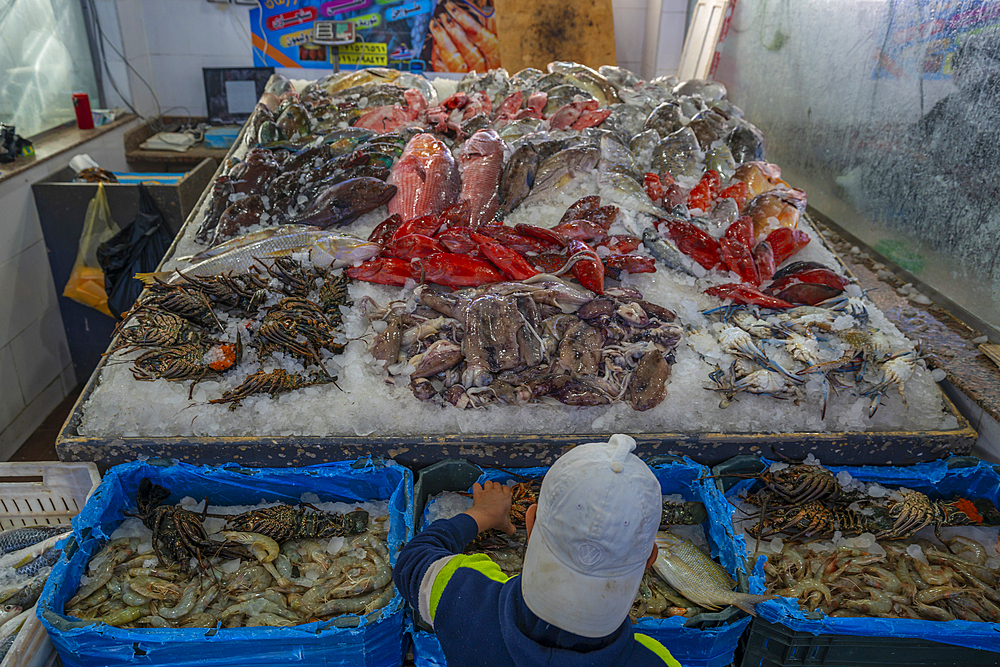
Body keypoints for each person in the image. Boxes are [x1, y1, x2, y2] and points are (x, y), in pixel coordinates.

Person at [394, 434, 682, 666]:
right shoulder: (654, 659)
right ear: (650, 559)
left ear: (529, 524)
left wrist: (482, 514)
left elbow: (412, 561)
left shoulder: (464, 599)